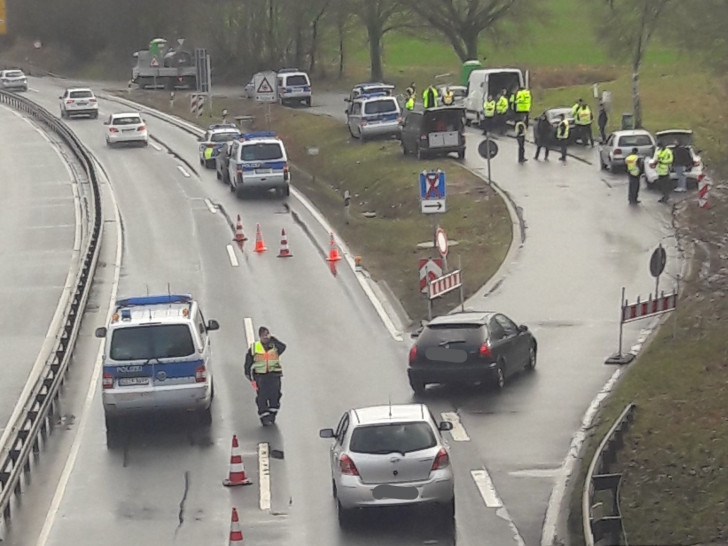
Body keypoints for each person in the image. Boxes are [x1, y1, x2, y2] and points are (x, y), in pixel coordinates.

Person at [244, 326, 287, 426]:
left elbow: (283, 347)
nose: (266, 337)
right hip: (261, 377)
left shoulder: (274, 346)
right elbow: (248, 362)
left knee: (275, 396)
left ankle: (272, 415)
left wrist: (273, 339)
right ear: (260, 336)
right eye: (264, 335)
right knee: (262, 397)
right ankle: (264, 417)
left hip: (274, 375)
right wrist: (249, 375)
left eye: (267, 334)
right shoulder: (255, 348)